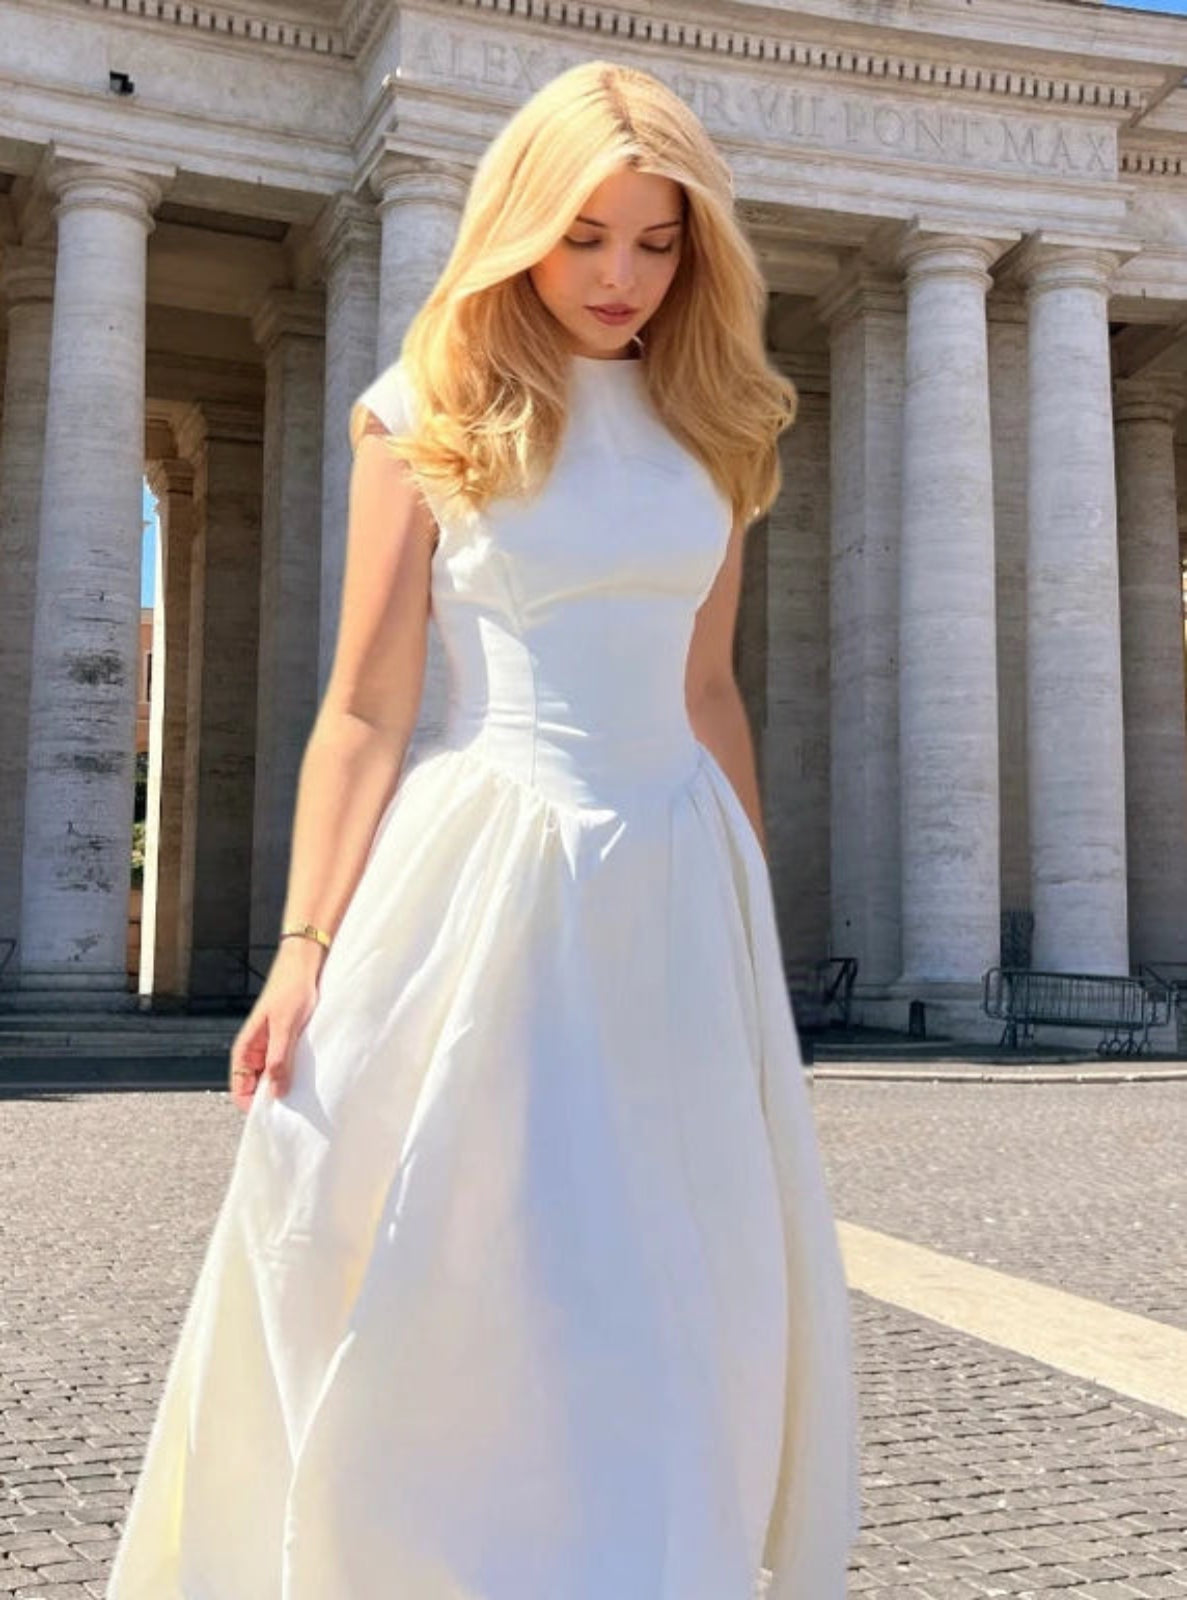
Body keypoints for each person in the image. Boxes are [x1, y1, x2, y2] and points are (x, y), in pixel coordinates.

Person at [105, 56, 861, 1600]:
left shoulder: (714, 418)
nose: (621, 278)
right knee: (457, 1247)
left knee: (670, 1273)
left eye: (658, 243)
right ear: (524, 223)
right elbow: (369, 705)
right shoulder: (424, 405)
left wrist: (750, 933)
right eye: (588, 236)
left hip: (675, 875)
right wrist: (303, 947)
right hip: (482, 867)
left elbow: (710, 693)